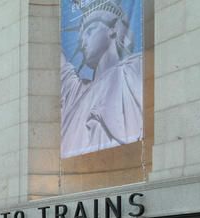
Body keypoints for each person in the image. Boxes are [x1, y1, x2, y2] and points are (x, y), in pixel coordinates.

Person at [60, 0, 143, 158]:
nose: (83, 41)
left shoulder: (136, 68)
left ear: (112, 29)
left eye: (90, 31)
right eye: (80, 38)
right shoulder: (75, 93)